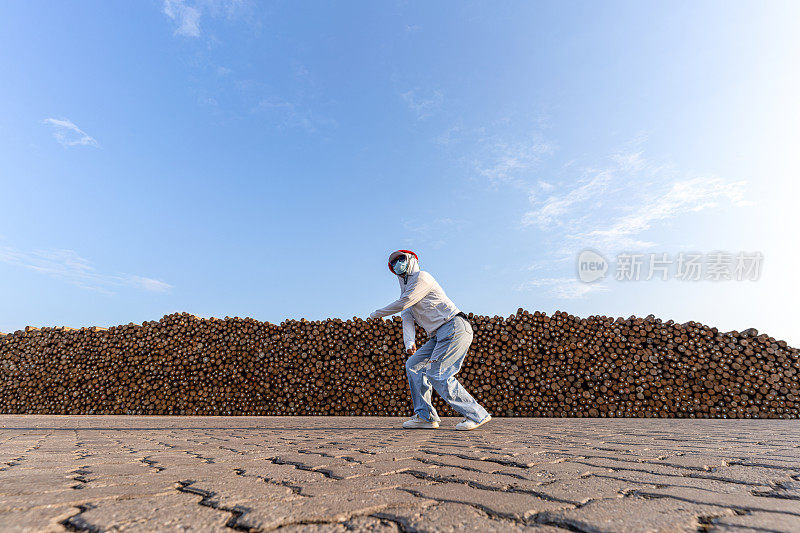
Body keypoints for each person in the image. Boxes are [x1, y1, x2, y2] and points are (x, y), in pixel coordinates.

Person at [369, 249, 492, 431]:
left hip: (454, 326)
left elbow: (405, 302)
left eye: (401, 259)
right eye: (393, 262)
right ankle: (426, 417)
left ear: (411, 260)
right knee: (413, 365)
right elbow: (407, 318)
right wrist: (409, 343)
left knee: (438, 373)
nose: (397, 264)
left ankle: (477, 414)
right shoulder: (407, 292)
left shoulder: (422, 278)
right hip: (438, 335)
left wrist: (377, 313)